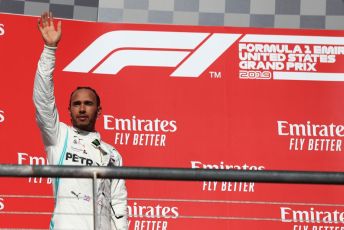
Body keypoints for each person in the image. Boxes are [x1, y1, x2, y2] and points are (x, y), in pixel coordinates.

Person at [33, 11, 128, 230]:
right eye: (77, 104)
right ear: (69, 110)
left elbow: (119, 205)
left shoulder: (112, 154)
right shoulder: (60, 136)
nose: (82, 108)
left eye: (88, 103)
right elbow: (43, 101)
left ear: (99, 110)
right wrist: (50, 50)